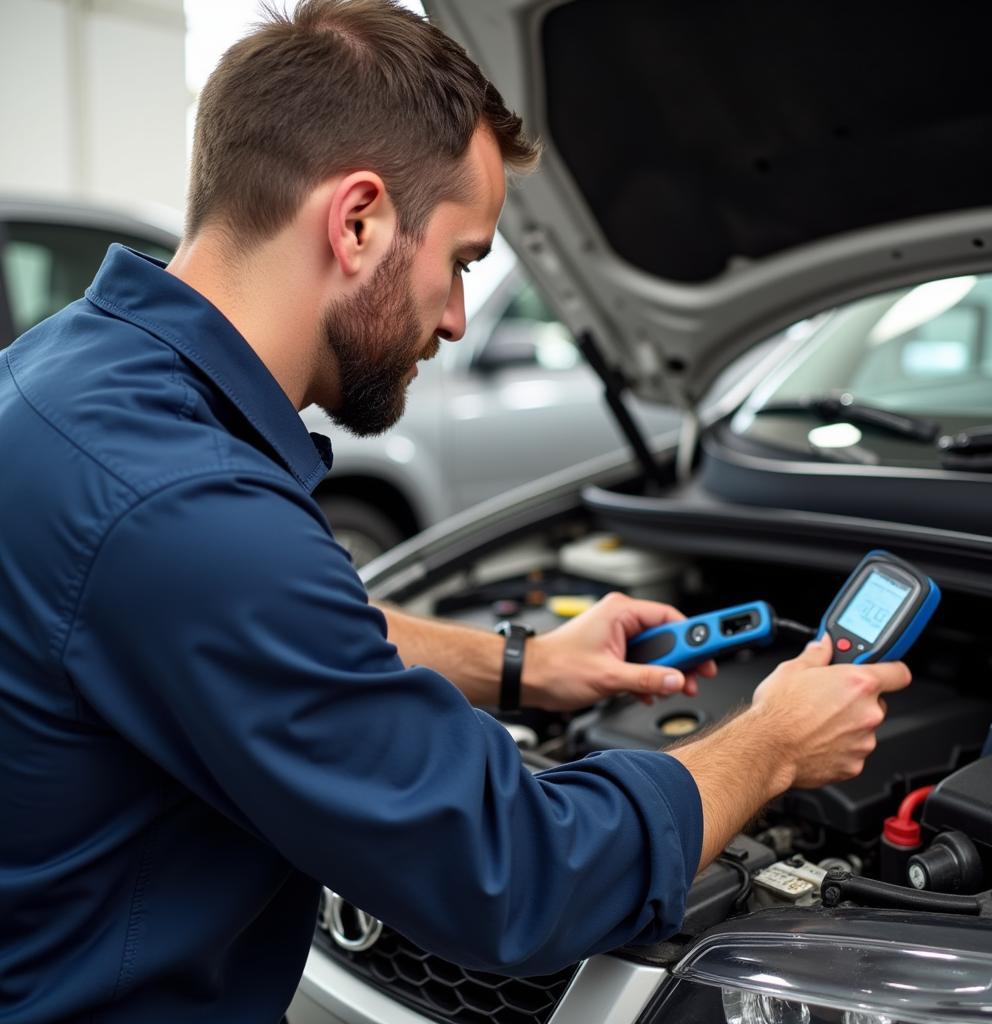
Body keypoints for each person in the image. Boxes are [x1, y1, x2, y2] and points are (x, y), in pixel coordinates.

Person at [0, 1, 911, 1021]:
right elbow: (516, 874)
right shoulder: (189, 508)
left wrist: (522, 666)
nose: (456, 317)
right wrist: (773, 743)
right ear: (356, 222)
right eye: (464, 260)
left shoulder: (63, 372)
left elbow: (263, 633)